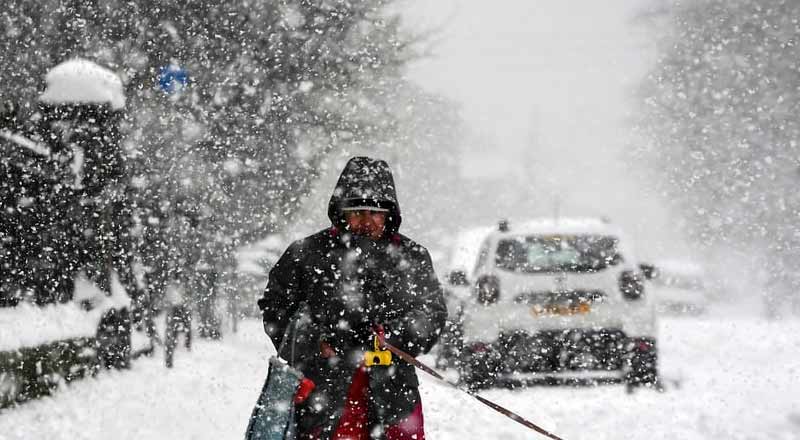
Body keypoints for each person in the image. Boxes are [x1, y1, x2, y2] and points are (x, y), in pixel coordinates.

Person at [258, 156, 447, 440]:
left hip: (393, 396)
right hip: (322, 394)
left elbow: (431, 313)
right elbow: (276, 308)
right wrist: (313, 342)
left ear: (389, 214)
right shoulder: (307, 254)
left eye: (375, 212)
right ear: (342, 212)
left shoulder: (412, 256)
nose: (366, 221)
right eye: (357, 211)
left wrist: (394, 337)